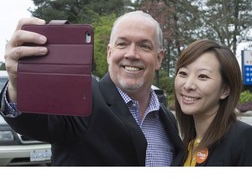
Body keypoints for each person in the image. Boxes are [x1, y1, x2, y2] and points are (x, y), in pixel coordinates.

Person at [0, 11, 183, 166]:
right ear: (109, 53)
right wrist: (18, 84)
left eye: (144, 46)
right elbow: (35, 122)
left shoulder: (167, 120)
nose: (131, 54)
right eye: (122, 44)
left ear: (159, 58)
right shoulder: (80, 97)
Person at [172, 39, 252, 166]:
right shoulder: (186, 145)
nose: (188, 85)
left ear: (225, 90)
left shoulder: (245, 138)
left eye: (202, 76)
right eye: (183, 73)